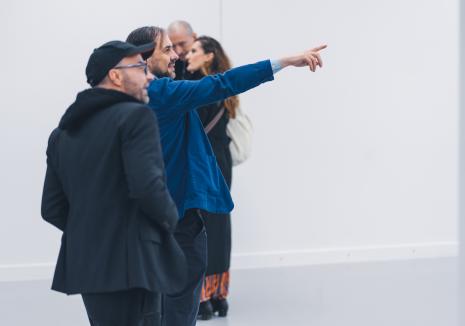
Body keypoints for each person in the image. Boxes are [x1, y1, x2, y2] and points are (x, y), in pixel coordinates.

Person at [126, 25, 326, 326]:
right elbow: (223, 83)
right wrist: (283, 62)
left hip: (154, 215)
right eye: (167, 49)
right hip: (177, 217)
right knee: (178, 309)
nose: (176, 55)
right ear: (142, 58)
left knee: (162, 307)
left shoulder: (129, 96)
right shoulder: (160, 93)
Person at [41, 40, 187, 326]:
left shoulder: (62, 133)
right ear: (116, 75)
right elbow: (148, 187)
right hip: (134, 263)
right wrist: (170, 221)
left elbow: (52, 208)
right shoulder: (136, 117)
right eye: (140, 68)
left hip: (88, 263)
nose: (149, 77)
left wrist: (91, 233)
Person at [184, 35, 238, 320]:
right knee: (220, 224)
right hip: (221, 160)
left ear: (207, 56)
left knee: (200, 223)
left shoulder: (197, 87)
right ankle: (219, 295)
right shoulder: (225, 88)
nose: (186, 55)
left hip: (203, 162)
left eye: (193, 51)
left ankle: (202, 297)